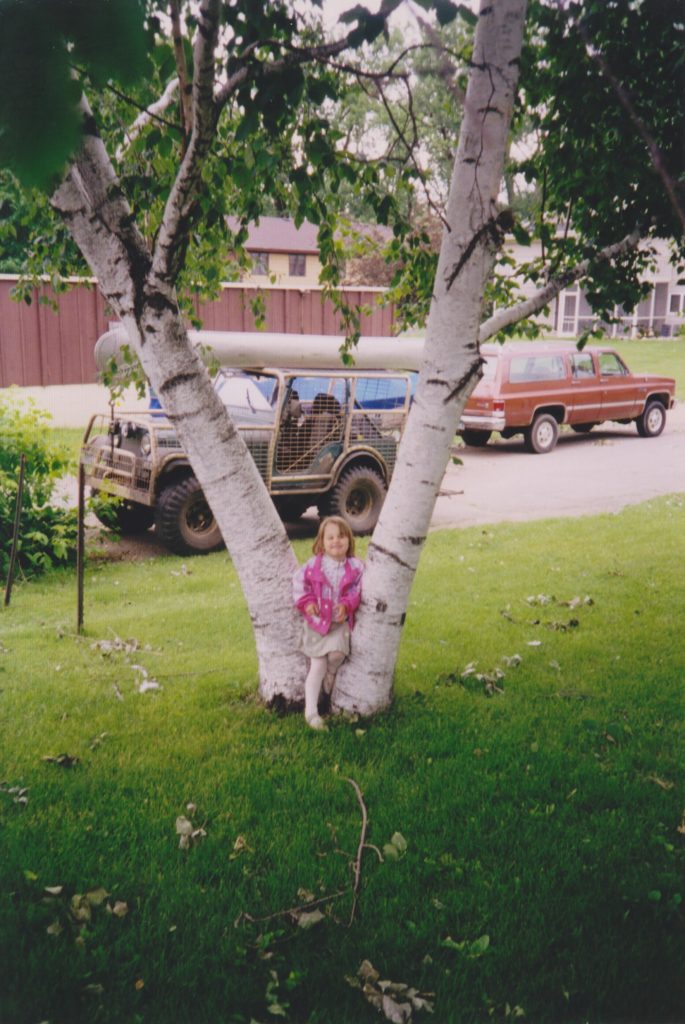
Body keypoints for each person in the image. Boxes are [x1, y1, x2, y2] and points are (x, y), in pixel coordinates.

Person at [293, 516, 364, 731]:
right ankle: (311, 712)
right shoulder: (313, 566)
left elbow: (357, 590)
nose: (336, 541)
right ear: (322, 542)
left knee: (336, 655)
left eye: (341, 536)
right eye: (330, 537)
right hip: (317, 623)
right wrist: (307, 603)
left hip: (338, 623)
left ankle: (332, 674)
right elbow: (299, 584)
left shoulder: (355, 566)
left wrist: (347, 605)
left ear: (349, 540)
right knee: (317, 665)